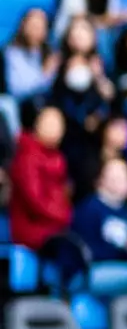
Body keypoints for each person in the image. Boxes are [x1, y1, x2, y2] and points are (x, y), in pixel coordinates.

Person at [10, 105, 72, 250]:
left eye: (59, 125)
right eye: (50, 123)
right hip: (33, 228)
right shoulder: (27, 157)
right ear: (37, 125)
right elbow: (35, 201)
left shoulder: (58, 157)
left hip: (55, 225)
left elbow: (64, 195)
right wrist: (63, 216)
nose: (56, 130)